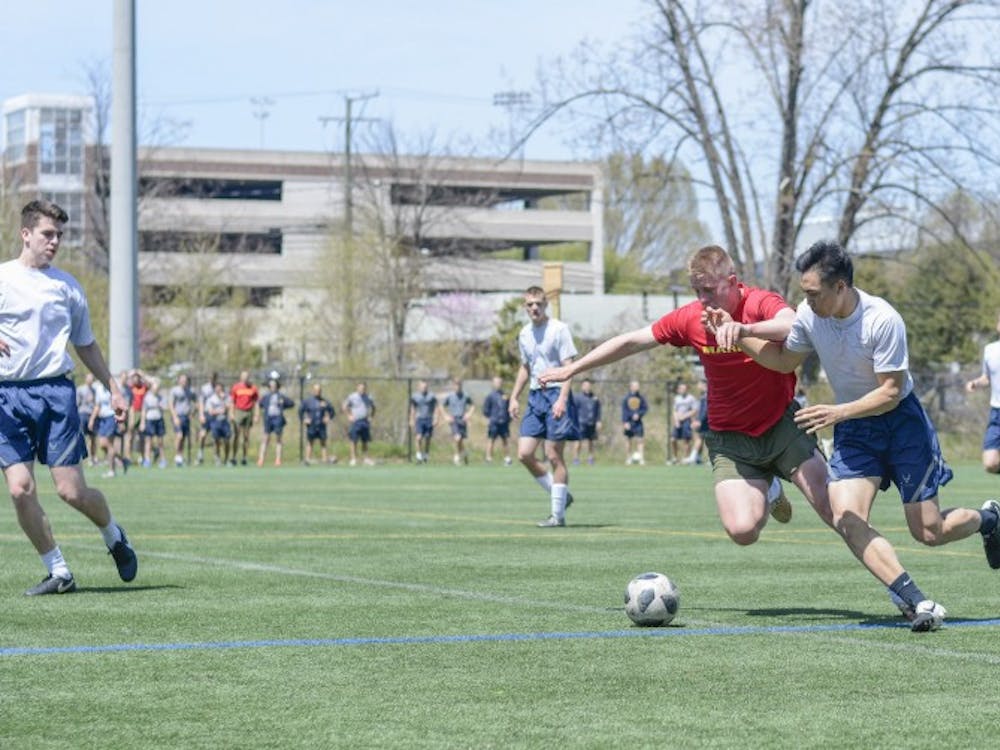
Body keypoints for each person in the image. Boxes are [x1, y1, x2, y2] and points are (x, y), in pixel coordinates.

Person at [720, 239, 1000, 632]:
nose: (808, 302)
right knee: (846, 516)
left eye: (814, 294)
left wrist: (838, 412)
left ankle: (989, 519)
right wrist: (740, 335)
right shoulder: (809, 315)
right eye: (805, 293)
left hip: (902, 424)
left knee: (929, 531)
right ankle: (915, 599)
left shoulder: (882, 319)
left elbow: (889, 391)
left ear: (841, 287)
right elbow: (783, 359)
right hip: (855, 430)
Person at [538, 245, 833, 549]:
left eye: (708, 289)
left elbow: (793, 323)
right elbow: (631, 342)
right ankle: (770, 487)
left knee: (830, 507)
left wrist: (743, 330)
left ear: (731, 282)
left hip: (780, 423)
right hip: (731, 437)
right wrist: (573, 368)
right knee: (743, 530)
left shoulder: (759, 302)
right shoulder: (692, 317)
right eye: (696, 290)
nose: (702, 299)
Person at [0, 199, 137, 595]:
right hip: (7, 396)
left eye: (59, 235)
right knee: (19, 487)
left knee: (70, 491)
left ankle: (113, 535)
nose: (54, 241)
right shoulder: (4, 278)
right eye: (47, 233)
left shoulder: (67, 287)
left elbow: (86, 344)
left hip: (55, 393)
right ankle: (58, 571)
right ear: (26, 234)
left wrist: (113, 386)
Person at [509, 286, 580, 528]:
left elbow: (569, 366)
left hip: (556, 394)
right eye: (530, 304)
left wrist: (562, 398)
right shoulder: (525, 333)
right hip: (536, 395)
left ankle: (557, 516)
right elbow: (525, 367)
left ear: (545, 304)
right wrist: (514, 396)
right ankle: (560, 495)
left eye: (538, 303)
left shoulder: (559, 329)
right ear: (525, 306)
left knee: (553, 454)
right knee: (524, 454)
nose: (534, 308)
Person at [965, 312, 1000, 475]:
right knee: (990, 464)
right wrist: (976, 383)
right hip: (997, 412)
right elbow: (987, 378)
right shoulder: (990, 350)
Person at [257, 378, 295, 467]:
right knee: (265, 438)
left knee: (278, 439)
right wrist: (257, 415)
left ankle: (278, 459)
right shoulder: (266, 397)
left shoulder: (281, 396)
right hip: (268, 419)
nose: (272, 387)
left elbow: (291, 403)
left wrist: (284, 404)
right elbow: (259, 404)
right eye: (271, 386)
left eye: (274, 385)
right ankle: (261, 459)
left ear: (277, 387)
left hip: (278, 418)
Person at [300, 382, 336, 465]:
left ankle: (325, 460)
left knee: (323, 442)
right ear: (313, 391)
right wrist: (305, 419)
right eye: (316, 390)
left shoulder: (324, 401)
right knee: (310, 442)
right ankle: (307, 460)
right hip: (311, 425)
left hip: (321, 425)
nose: (317, 392)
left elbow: (332, 411)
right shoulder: (308, 401)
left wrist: (328, 417)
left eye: (319, 390)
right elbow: (300, 411)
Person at [442, 377, 475, 466]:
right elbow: (442, 406)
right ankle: (456, 457)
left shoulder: (465, 395)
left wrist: (469, 414)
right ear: (453, 386)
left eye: (459, 385)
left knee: (460, 440)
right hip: (454, 420)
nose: (457, 387)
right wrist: (446, 416)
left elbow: (472, 405)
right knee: (457, 438)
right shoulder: (450, 396)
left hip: (462, 420)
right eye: (456, 385)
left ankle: (464, 453)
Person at [230, 370, 260, 465]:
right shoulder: (236, 387)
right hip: (239, 411)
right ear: (241, 377)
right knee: (236, 435)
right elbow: (232, 402)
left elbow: (256, 402)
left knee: (246, 436)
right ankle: (233, 457)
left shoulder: (253, 388)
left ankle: (244, 457)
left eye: (247, 376)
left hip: (248, 412)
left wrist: (256, 415)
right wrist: (231, 413)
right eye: (244, 376)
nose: (245, 378)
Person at [344, 381, 376, 466]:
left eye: (364, 388)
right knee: (353, 440)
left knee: (365, 441)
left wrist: (371, 417)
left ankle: (366, 458)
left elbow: (373, 407)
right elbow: (345, 406)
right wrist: (349, 416)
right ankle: (353, 459)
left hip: (364, 421)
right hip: (356, 421)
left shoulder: (368, 397)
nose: (362, 390)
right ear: (357, 388)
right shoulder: (352, 396)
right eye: (361, 388)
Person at [482, 376, 512, 465]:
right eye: (496, 382)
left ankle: (507, 459)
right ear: (493, 384)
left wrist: (508, 418)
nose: (498, 384)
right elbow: (485, 410)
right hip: (494, 422)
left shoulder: (505, 395)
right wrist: (491, 418)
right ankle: (488, 458)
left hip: (504, 422)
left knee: (505, 440)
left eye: (500, 382)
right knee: (491, 439)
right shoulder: (490, 396)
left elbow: (509, 408)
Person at [572, 378, 602, 465]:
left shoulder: (595, 398)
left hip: (591, 423)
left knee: (591, 442)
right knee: (578, 441)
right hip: (581, 423)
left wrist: (598, 421)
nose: (587, 387)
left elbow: (598, 410)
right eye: (585, 385)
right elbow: (574, 410)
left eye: (589, 385)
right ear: (582, 386)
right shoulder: (577, 398)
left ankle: (590, 459)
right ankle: (576, 459)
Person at [139, 377, 167, 468]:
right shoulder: (147, 397)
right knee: (148, 441)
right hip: (149, 420)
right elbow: (144, 410)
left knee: (160, 441)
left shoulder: (160, 397)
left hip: (159, 419)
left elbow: (164, 408)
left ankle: (163, 460)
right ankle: (147, 460)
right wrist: (142, 423)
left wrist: (161, 406)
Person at [169, 372, 196, 466]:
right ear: (179, 380)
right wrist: (175, 417)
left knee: (183, 438)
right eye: (182, 380)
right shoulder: (175, 390)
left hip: (186, 417)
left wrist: (193, 413)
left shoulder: (191, 391)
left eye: (185, 380)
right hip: (177, 416)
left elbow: (196, 402)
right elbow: (171, 404)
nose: (184, 382)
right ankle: (177, 456)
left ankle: (180, 456)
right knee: (179, 435)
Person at [409, 380, 438, 464]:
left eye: (425, 387)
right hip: (419, 419)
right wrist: (411, 419)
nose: (424, 388)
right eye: (422, 387)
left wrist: (436, 418)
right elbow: (413, 408)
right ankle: (419, 456)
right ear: (419, 387)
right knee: (418, 437)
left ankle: (426, 455)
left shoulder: (431, 396)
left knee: (428, 438)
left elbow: (436, 407)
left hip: (429, 419)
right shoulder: (415, 396)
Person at [205, 381, 233, 465]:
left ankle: (227, 459)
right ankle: (217, 458)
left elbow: (229, 407)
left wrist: (223, 400)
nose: (219, 390)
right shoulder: (211, 399)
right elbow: (210, 412)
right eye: (217, 388)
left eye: (220, 388)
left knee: (227, 440)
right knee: (216, 441)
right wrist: (219, 411)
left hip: (225, 421)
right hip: (215, 421)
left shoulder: (226, 397)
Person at [623, 380, 650, 465]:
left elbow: (645, 408)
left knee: (640, 440)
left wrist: (639, 414)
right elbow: (624, 410)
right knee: (628, 440)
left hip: (638, 423)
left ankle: (641, 459)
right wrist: (625, 422)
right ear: (631, 387)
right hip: (629, 422)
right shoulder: (626, 398)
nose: (637, 387)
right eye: (635, 386)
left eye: (638, 386)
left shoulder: (641, 398)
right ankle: (628, 458)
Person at [683, 379, 709, 465]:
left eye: (699, 384)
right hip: (704, 420)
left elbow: (705, 410)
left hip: (706, 421)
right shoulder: (703, 395)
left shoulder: (707, 395)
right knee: (702, 438)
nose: (698, 386)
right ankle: (698, 457)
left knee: (700, 438)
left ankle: (693, 457)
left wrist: (700, 421)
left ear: (703, 385)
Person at [196, 372, 219, 465]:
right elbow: (201, 401)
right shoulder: (205, 388)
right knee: (203, 435)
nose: (212, 379)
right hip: (207, 413)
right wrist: (201, 414)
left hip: (216, 414)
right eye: (210, 378)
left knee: (216, 436)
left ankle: (216, 456)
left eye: (213, 378)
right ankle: (200, 454)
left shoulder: (218, 387)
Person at [76, 372, 98, 465]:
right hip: (83, 414)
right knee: (81, 437)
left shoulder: (96, 391)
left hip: (92, 414)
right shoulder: (80, 389)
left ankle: (92, 458)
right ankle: (81, 457)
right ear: (86, 379)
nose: (91, 380)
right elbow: (77, 403)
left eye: (92, 379)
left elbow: (97, 404)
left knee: (93, 438)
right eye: (89, 378)